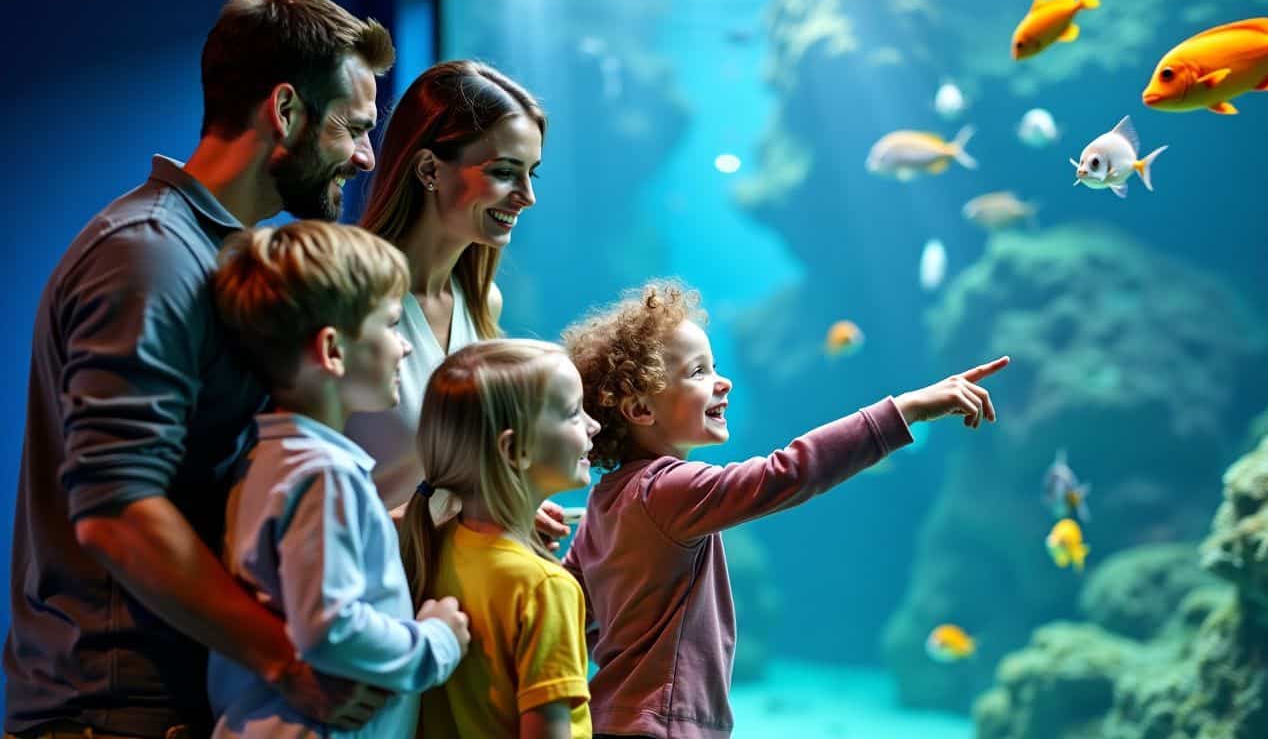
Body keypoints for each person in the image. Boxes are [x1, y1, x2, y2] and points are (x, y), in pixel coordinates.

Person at [5, 0, 395, 738]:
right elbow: (117, 511)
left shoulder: (226, 255)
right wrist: (284, 661)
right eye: (352, 127)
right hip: (117, 714)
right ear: (284, 111)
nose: (365, 155)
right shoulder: (148, 255)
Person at [561, 281, 1010, 739]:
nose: (723, 380)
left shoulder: (604, 501)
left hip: (613, 717)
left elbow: (570, 601)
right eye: (698, 372)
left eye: (715, 365)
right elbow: (787, 473)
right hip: (666, 726)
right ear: (640, 407)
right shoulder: (667, 490)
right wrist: (904, 410)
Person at [208, 220, 470, 738]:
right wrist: (437, 641)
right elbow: (331, 628)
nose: (407, 347)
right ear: (332, 350)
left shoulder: (271, 457)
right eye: (392, 325)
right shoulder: (325, 475)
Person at [347, 60, 547, 513]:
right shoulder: (347, 299)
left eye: (531, 173)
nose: (526, 196)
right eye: (503, 171)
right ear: (428, 169)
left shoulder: (483, 303)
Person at [402, 340, 598, 739]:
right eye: (573, 413)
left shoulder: (432, 547)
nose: (593, 425)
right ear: (514, 449)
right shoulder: (546, 587)